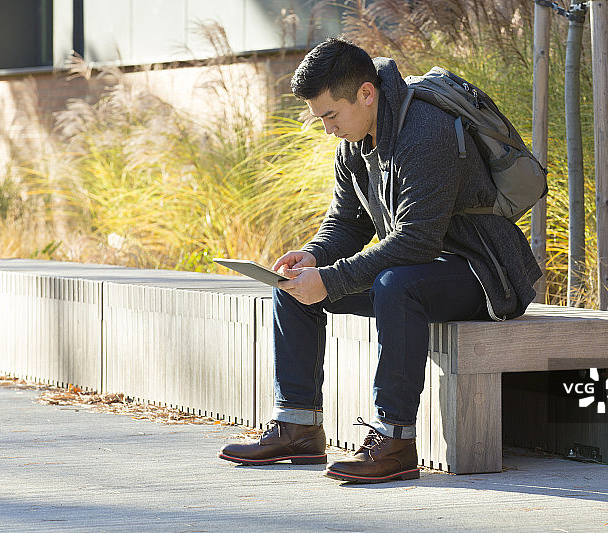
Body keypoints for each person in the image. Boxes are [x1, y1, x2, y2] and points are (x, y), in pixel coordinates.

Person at [219, 37, 542, 483]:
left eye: (331, 115)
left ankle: (395, 440)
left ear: (367, 94)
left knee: (395, 285)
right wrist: (312, 257)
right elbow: (347, 223)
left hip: (483, 272)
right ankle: (297, 427)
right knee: (293, 286)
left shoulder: (426, 129)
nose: (328, 129)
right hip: (418, 269)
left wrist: (330, 280)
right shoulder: (354, 143)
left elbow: (417, 242)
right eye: (321, 119)